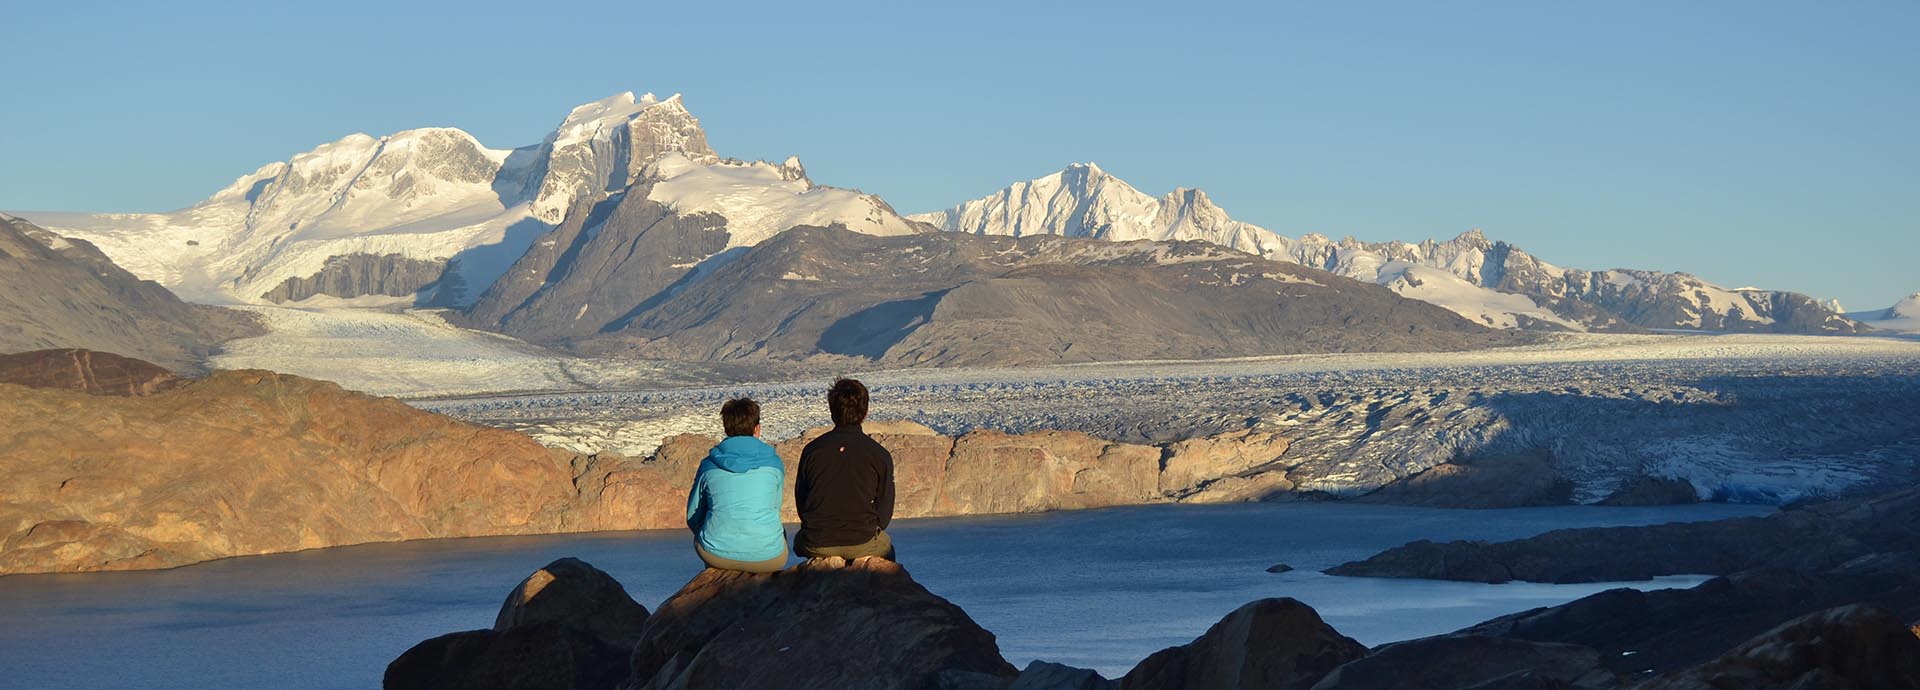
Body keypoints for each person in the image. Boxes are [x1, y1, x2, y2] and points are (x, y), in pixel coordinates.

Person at [793, 378, 898, 561]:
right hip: (862, 542)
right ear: (865, 412)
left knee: (797, 542)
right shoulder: (879, 454)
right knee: (888, 549)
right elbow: (884, 515)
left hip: (817, 543)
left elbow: (802, 503)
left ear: (832, 411)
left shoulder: (812, 451)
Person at [685, 397, 789, 573]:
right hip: (768, 557)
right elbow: (774, 507)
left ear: (726, 428)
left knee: (705, 537)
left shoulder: (708, 465)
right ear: (757, 429)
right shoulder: (774, 463)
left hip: (716, 555)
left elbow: (694, 516)